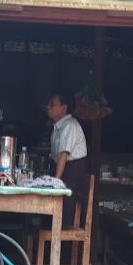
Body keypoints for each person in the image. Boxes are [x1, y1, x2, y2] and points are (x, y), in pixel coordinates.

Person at [46, 90, 89, 227]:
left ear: (64, 108)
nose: (48, 107)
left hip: (71, 174)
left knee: (64, 213)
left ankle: (62, 237)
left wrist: (56, 181)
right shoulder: (58, 127)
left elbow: (63, 155)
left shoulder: (70, 125)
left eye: (52, 105)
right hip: (64, 172)